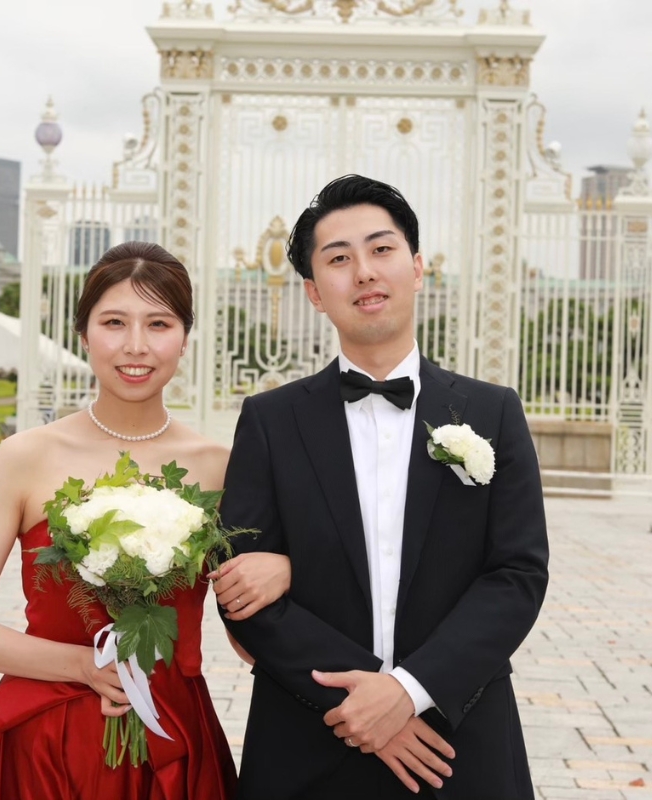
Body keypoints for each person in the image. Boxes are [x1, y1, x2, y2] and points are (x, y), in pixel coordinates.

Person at [218, 175, 550, 799]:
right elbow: (241, 591)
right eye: (339, 259)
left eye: (381, 249)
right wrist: (363, 701)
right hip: (307, 740)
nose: (364, 272)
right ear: (315, 292)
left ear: (417, 268)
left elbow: (518, 575)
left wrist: (407, 692)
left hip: (457, 742)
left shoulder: (494, 411)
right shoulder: (270, 420)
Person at [0, 241, 291, 800]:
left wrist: (282, 571)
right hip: (51, 741)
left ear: (185, 338)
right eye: (114, 322)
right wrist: (83, 664)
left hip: (174, 734)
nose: (136, 345)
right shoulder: (25, 457)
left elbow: (248, 641)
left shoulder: (221, 467)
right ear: (83, 333)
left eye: (159, 324)